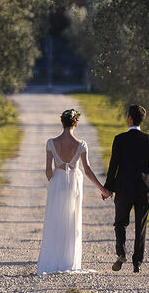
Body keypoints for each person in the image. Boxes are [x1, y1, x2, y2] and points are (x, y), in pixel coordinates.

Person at [36, 108, 111, 275]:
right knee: (72, 219)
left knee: (55, 219)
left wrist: (55, 178)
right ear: (75, 123)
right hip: (73, 185)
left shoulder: (50, 143)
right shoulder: (81, 144)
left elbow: (48, 171)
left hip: (57, 182)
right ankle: (68, 260)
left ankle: (52, 260)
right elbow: (88, 171)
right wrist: (103, 189)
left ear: (62, 122)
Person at [104, 104, 149, 273]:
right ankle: (137, 262)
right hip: (144, 189)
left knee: (120, 223)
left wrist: (108, 188)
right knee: (140, 226)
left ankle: (121, 253)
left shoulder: (119, 139)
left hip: (123, 188)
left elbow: (113, 165)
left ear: (129, 118)